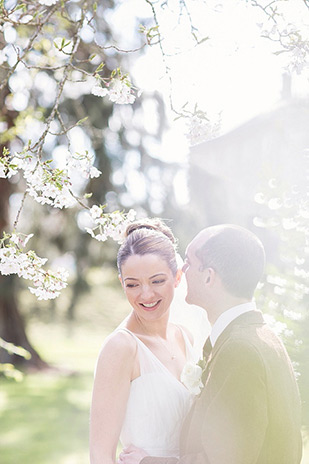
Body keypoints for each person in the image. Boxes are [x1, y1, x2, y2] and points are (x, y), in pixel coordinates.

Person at [119, 224, 303, 464]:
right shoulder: (260, 337)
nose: (181, 270)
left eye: (188, 262)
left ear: (208, 276)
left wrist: (147, 462)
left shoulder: (241, 351)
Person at [89, 219, 209, 464]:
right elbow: (100, 456)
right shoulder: (122, 348)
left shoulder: (186, 336)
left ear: (177, 278)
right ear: (122, 283)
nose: (146, 295)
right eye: (133, 284)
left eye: (157, 281)